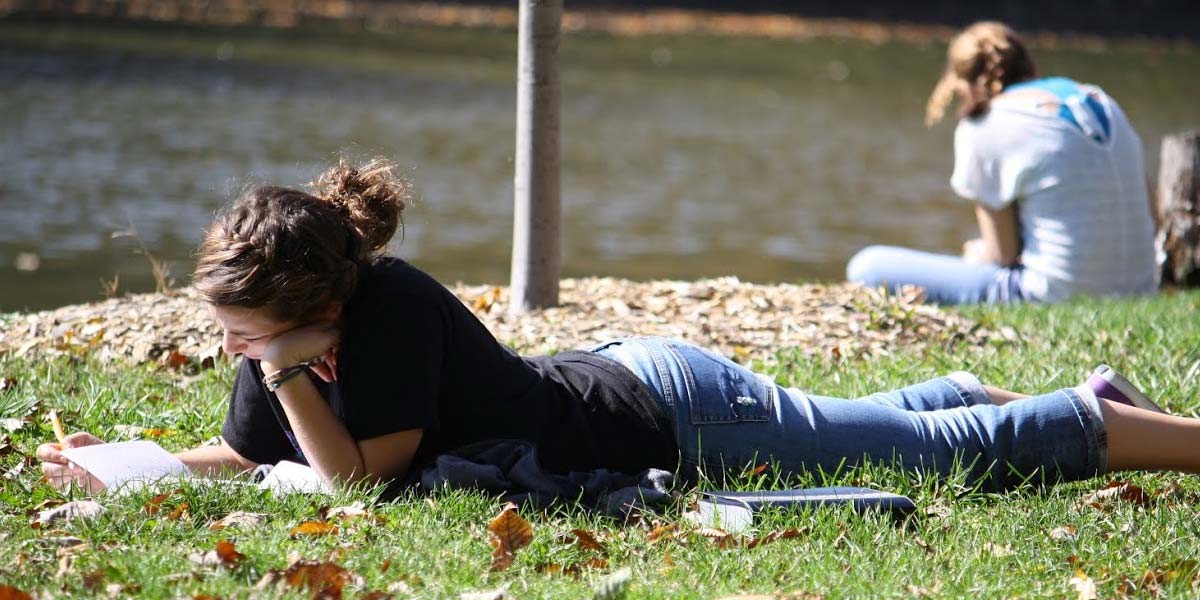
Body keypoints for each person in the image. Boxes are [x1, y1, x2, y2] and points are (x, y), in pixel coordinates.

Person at [37, 160, 1199, 495]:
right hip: (628, 381)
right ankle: (1036, 393)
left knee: (947, 462)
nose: (234, 349)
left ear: (319, 306)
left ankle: (1143, 430)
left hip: (669, 416)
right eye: (228, 332)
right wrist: (126, 466)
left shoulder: (390, 314)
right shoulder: (278, 341)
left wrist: (294, 383)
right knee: (878, 426)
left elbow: (358, 484)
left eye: (247, 332)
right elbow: (247, 458)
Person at [846, 21, 1157, 304]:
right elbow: (1150, 213)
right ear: (1027, 65)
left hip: (1054, 294)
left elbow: (1002, 255)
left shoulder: (985, 123)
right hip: (1142, 288)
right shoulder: (1099, 99)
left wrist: (977, 253)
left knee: (867, 265)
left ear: (965, 85)